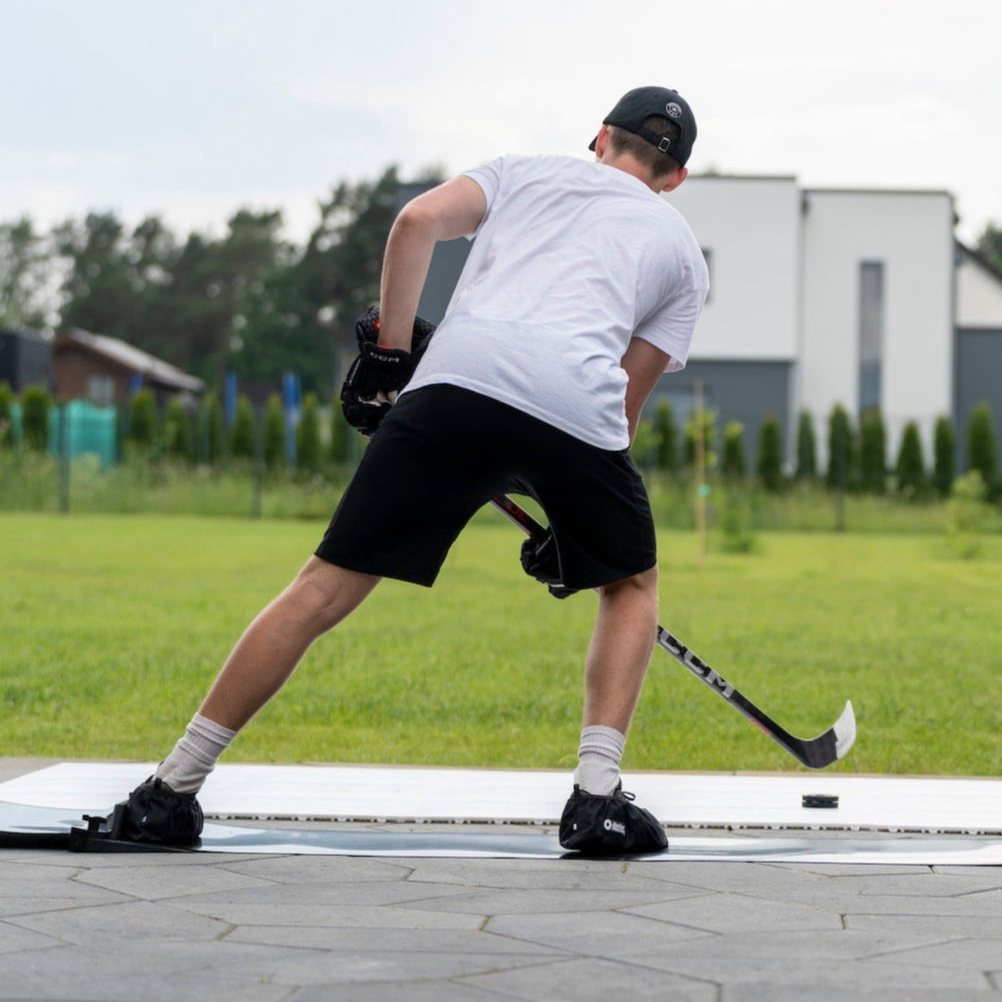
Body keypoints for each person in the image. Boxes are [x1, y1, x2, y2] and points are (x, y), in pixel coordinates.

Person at [111, 86, 710, 856]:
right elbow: (622, 407)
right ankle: (596, 802)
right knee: (629, 587)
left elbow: (415, 222)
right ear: (675, 178)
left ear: (600, 137)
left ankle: (171, 789)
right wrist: (575, 526)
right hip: (577, 412)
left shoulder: (523, 172)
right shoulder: (683, 254)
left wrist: (391, 358)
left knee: (322, 587)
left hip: (453, 385)